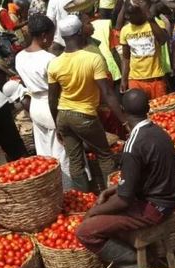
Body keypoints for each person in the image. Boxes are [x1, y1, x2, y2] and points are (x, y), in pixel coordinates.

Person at [76, 89, 175, 268]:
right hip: (167, 202)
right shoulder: (159, 133)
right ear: (148, 108)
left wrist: (94, 212)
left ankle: (137, 265)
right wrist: (114, 190)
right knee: (108, 202)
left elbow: (124, 201)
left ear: (122, 110)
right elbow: (148, 176)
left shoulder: (134, 144)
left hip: (153, 209)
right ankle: (142, 257)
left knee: (85, 231)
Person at [48, 15, 126, 191]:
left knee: (76, 161)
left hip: (63, 116)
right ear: (79, 33)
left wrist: (57, 125)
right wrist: (125, 120)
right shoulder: (92, 58)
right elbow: (107, 93)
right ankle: (112, 195)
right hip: (84, 116)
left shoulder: (55, 64)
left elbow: (52, 99)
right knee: (104, 156)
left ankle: (84, 199)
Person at [15, 14, 71, 184]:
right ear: (44, 35)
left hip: (35, 105)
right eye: (52, 35)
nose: (53, 40)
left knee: (44, 149)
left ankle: (48, 184)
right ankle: (68, 188)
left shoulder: (20, 57)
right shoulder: (50, 59)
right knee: (62, 150)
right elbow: (59, 87)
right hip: (52, 104)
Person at [119, 0, 170, 98]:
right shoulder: (125, 30)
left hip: (156, 79)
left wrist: (150, 19)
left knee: (159, 111)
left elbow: (163, 40)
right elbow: (126, 58)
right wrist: (124, 80)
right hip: (135, 80)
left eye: (131, 14)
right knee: (137, 108)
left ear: (141, 12)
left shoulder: (156, 24)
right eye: (127, 14)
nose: (127, 17)